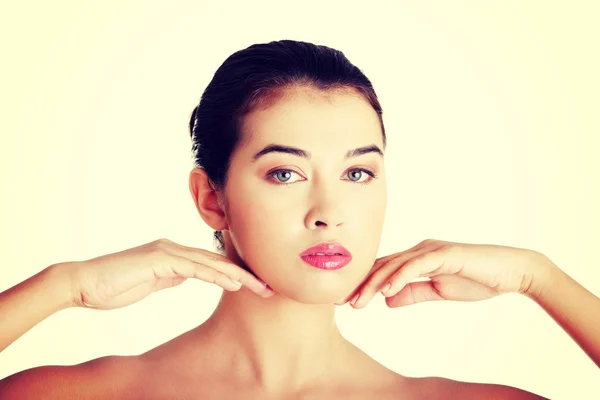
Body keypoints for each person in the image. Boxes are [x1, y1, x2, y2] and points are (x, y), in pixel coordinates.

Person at [0, 39, 597, 399]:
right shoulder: (76, 396)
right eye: (285, 173)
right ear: (212, 198)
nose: (329, 214)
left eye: (358, 173)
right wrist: (63, 285)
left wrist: (537, 277)